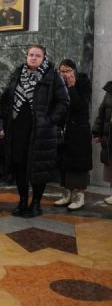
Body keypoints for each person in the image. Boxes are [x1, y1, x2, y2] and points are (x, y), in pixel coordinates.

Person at [0, 44, 69, 218]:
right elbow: (6, 98)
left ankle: (36, 203)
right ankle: (23, 201)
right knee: (19, 166)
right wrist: (6, 120)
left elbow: (63, 102)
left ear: (44, 58)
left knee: (39, 169)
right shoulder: (18, 74)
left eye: (37, 55)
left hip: (40, 132)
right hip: (18, 130)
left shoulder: (52, 76)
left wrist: (49, 120)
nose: (33, 58)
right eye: (31, 54)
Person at [52, 59, 92, 211]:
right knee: (64, 164)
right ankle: (67, 194)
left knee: (79, 165)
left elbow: (81, 107)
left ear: (74, 70)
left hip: (79, 131)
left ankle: (79, 197)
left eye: (68, 71)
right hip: (64, 131)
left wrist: (72, 87)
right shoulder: (58, 85)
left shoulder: (83, 82)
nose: (65, 74)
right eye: (62, 71)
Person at [92, 80, 112, 206]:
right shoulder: (110, 90)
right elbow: (102, 113)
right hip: (110, 136)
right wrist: (97, 133)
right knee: (110, 165)